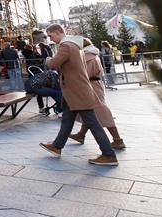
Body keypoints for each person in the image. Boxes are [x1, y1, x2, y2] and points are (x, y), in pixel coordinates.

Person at [39, 24, 118, 166]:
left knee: (93, 123)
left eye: (51, 36)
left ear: (57, 32)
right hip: (75, 91)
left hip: (77, 91)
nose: (51, 39)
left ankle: (108, 154)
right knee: (67, 120)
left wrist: (48, 60)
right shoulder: (75, 45)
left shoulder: (66, 46)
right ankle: (57, 146)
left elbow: (53, 63)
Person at [68, 38, 126, 149]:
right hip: (93, 85)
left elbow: (85, 74)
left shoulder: (88, 57)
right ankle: (81, 134)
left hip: (92, 86)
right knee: (89, 111)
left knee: (101, 111)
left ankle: (117, 139)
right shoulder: (90, 55)